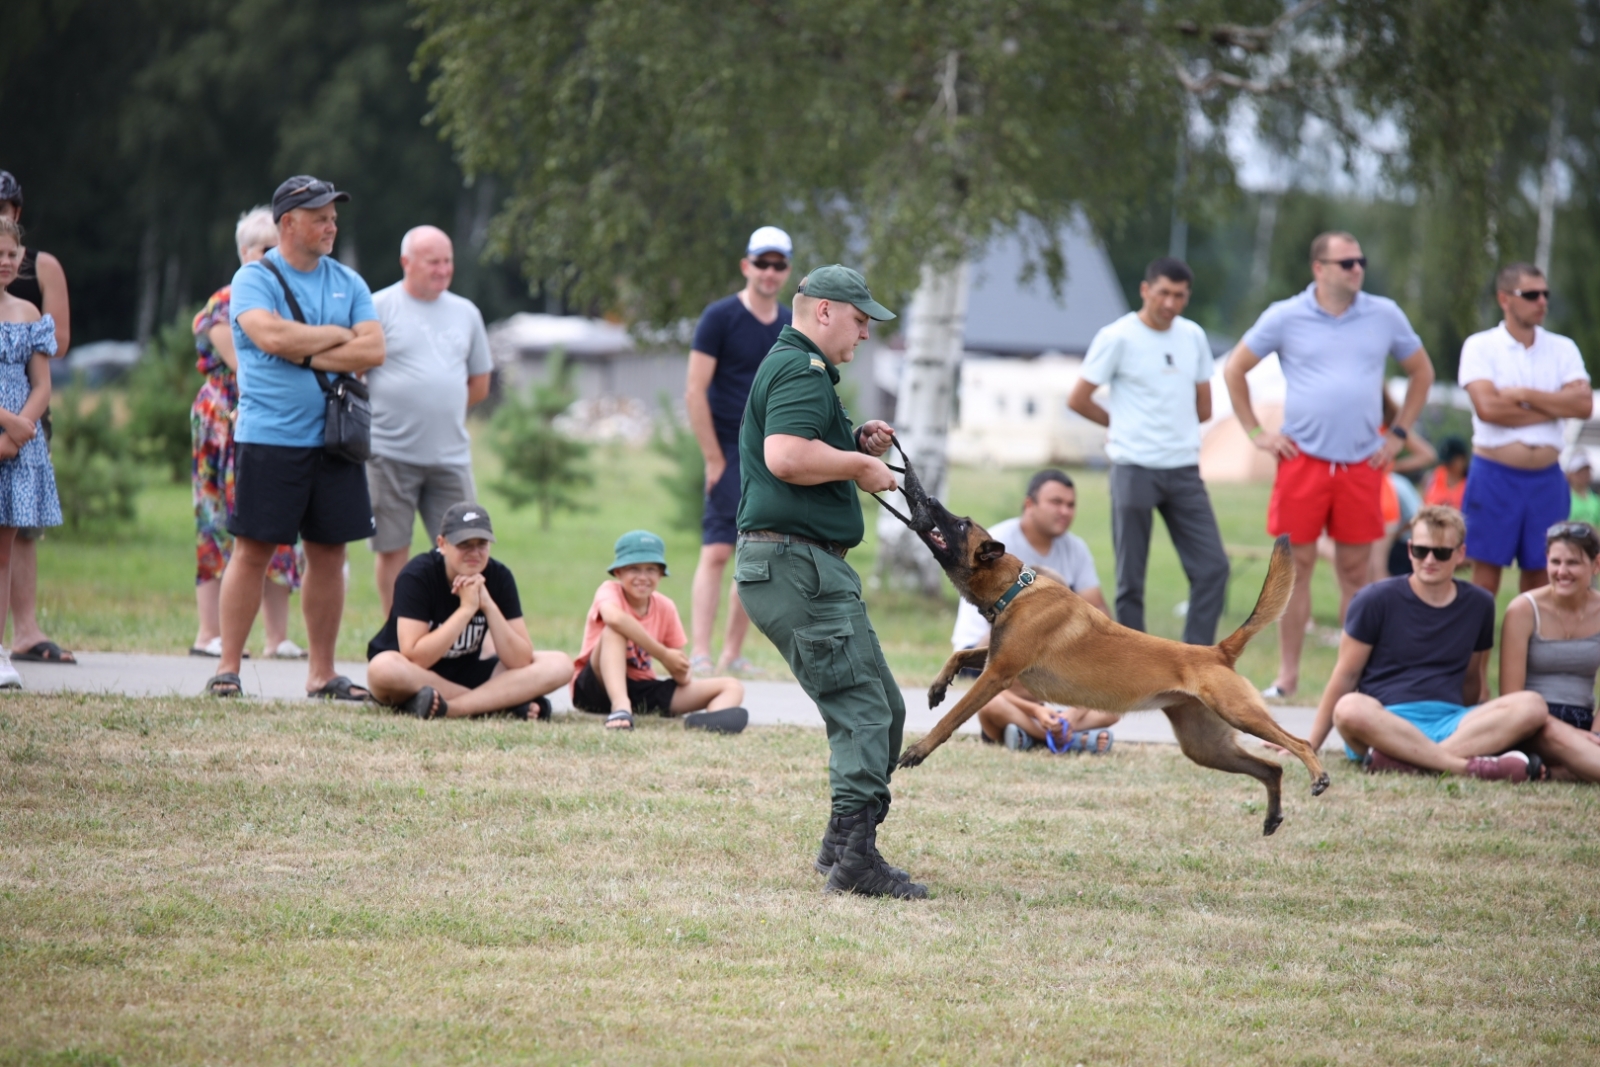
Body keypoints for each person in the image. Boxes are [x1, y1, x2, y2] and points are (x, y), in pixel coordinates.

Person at [733, 263, 925, 900]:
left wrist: (853, 440)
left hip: (808, 565)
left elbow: (802, 447)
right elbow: (785, 455)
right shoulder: (800, 369)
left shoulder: (803, 371)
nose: (866, 333)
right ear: (822, 311)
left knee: (886, 707)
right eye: (860, 319)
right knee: (863, 709)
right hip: (796, 566)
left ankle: (842, 844)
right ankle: (856, 862)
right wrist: (860, 467)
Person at [1224, 230, 1435, 699]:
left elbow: (1423, 372)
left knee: (1356, 574)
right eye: (1346, 263)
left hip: (1362, 463)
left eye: (1360, 261)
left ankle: (1351, 680)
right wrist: (1257, 433)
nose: (1357, 269)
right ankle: (1288, 677)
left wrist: (1398, 434)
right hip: (1303, 462)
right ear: (1319, 269)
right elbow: (1234, 368)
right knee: (1293, 570)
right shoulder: (1285, 315)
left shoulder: (1384, 314)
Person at [203, 175, 384, 700]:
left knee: (328, 555)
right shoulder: (254, 279)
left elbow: (372, 349)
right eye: (321, 217)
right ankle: (228, 668)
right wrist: (336, 339)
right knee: (253, 551)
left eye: (333, 216)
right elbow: (271, 335)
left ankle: (322, 673)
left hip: (335, 442)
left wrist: (302, 349)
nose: (331, 224)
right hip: (271, 439)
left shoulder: (348, 281)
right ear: (289, 224)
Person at [1311, 505, 1600, 783]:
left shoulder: (1479, 604)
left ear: (1461, 554)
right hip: (1385, 722)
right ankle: (1464, 767)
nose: (1429, 560)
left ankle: (1410, 762)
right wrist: (1309, 744)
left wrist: (1489, 723)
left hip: (1452, 723)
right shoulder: (1373, 599)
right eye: (1421, 550)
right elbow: (1345, 675)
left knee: (1531, 705)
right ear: (1410, 549)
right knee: (1349, 707)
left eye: (1441, 552)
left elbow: (1472, 681)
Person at [1068, 256, 1229, 645]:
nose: (1170, 303)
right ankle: (1136, 667)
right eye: (1163, 293)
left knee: (1213, 568)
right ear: (1145, 290)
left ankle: (1196, 664)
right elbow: (1079, 399)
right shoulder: (1118, 336)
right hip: (1134, 468)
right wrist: (1121, 424)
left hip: (1184, 469)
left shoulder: (1192, 336)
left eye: (1179, 295)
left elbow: (1205, 407)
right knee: (1131, 579)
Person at [189, 207, 303, 659]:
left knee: (276, 528)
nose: (273, 257)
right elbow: (247, 363)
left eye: (280, 249)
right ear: (243, 253)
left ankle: (277, 637)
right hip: (224, 423)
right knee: (217, 524)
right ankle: (209, 634)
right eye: (264, 249)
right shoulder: (226, 301)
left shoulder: (290, 302)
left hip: (274, 420)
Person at [684, 226, 794, 675]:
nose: (769, 272)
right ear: (746, 265)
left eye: (778, 265)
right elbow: (694, 391)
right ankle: (701, 652)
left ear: (786, 271)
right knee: (716, 551)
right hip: (729, 450)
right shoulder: (719, 317)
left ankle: (732, 653)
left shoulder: (791, 323)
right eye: (762, 263)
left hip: (772, 453)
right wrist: (713, 458)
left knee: (758, 553)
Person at [367, 225, 493, 617]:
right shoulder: (377, 307)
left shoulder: (466, 312)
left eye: (448, 261)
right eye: (433, 261)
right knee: (393, 548)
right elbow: (354, 374)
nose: (442, 270)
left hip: (449, 455)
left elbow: (479, 384)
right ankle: (397, 634)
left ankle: (460, 631)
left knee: (466, 546)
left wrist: (438, 408)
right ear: (407, 262)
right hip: (389, 453)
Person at [948, 469, 1118, 753]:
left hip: (1043, 650)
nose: (1065, 511)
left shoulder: (1075, 548)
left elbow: (1097, 611)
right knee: (992, 698)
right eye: (1056, 502)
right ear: (1030, 505)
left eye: (1071, 504)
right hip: (985, 647)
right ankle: (1061, 736)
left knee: (1113, 700)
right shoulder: (997, 542)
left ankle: (1045, 731)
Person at [366, 502, 573, 720]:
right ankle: (501, 704)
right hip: (414, 675)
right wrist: (466, 610)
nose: (474, 553)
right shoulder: (418, 576)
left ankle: (451, 708)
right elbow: (416, 658)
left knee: (560, 664)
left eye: (482, 544)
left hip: (467, 672)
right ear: (442, 544)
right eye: (464, 544)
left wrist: (488, 605)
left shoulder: (499, 576)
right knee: (382, 668)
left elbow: (520, 660)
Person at [1458, 262, 1591, 596]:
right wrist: (1552, 407)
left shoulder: (1563, 348)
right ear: (1505, 298)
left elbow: (1583, 406)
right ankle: (1478, 651)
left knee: (1543, 581)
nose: (1541, 301)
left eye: (1545, 294)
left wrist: (1524, 396)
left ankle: (1531, 651)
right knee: (1484, 583)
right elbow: (1488, 409)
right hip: (1494, 476)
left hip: (1547, 479)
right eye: (1531, 294)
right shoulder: (1480, 346)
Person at [0, 171, 73, 666]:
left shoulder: (38, 272)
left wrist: (19, 426)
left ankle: (19, 635)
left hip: (23, 420)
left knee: (14, 535)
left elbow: (52, 356)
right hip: (8, 417)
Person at [570, 529, 748, 732]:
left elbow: (682, 672)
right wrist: (663, 654)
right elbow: (614, 619)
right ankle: (620, 707)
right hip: (595, 687)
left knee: (732, 686)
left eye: (651, 569)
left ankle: (711, 720)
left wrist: (678, 668)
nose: (643, 577)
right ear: (618, 572)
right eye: (634, 569)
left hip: (641, 690)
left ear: (661, 573)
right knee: (614, 630)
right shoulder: (609, 591)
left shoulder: (665, 607)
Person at [1500, 521, 1600, 740]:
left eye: (1573, 562)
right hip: (1530, 720)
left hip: (1583, 723)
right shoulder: (1523, 609)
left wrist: (1595, 736)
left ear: (1596, 565)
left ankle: (1549, 770)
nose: (1562, 572)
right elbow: (1510, 698)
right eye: (1555, 562)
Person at [1423, 437, 1469, 510]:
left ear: (1462, 459)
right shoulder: (1435, 476)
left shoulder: (1471, 483)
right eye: (1445, 462)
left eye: (1450, 462)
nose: (1447, 466)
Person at [1565, 451, 1600, 526]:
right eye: (1579, 471)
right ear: (1569, 474)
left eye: (1587, 471)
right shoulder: (1564, 498)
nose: (1584, 475)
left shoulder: (1596, 500)